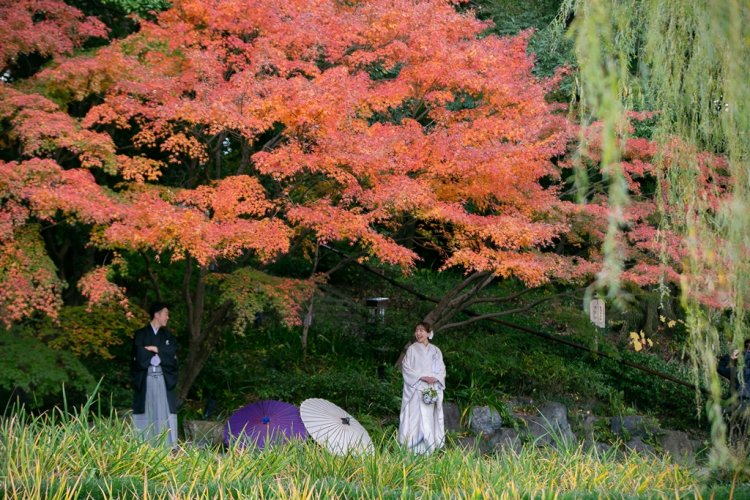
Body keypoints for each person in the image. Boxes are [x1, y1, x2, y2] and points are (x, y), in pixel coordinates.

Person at [131, 302, 179, 446]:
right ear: (157, 314)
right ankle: (144, 443)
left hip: (163, 378)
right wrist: (161, 351)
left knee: (163, 410)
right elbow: (138, 355)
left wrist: (155, 348)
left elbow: (172, 355)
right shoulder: (140, 334)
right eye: (165, 314)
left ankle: (166, 444)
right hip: (146, 378)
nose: (167, 317)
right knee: (147, 409)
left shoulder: (169, 336)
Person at [398, 321, 446, 454]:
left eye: (421, 330)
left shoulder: (436, 351)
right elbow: (406, 368)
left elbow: (441, 369)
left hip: (430, 389)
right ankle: (412, 451)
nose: (418, 333)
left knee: (428, 420)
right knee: (414, 419)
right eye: (417, 330)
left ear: (429, 333)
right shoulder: (412, 349)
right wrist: (422, 376)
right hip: (416, 389)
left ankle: (428, 450)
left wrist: (435, 379)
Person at [718, 339, 750, 442]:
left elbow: (720, 369)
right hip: (747, 403)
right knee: (743, 428)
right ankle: (739, 449)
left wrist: (728, 358)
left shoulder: (735, 371)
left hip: (734, 401)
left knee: (728, 423)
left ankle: (729, 444)